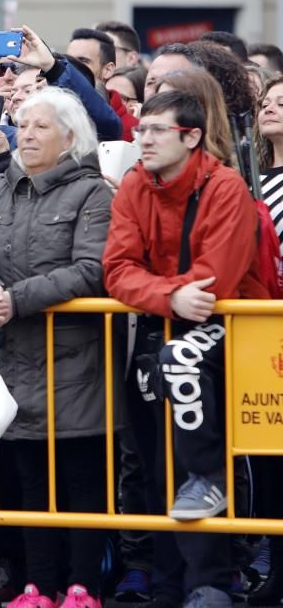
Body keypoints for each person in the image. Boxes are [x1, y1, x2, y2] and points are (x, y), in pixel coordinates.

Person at [103, 91, 268, 608]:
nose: (143, 139)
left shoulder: (226, 186)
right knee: (154, 466)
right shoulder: (134, 184)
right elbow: (116, 269)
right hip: (159, 323)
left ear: (191, 136)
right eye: (141, 130)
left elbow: (216, 280)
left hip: (230, 326)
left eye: (156, 131)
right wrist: (167, 294)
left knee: (182, 373)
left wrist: (165, 293)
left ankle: (212, 579)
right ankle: (169, 587)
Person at [0, 86, 114, 608]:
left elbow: (91, 270)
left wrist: (14, 299)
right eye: (22, 125)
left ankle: (82, 587)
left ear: (70, 137)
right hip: (14, 361)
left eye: (40, 126)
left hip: (75, 360)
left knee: (80, 481)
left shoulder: (93, 192)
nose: (26, 135)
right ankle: (36, 587)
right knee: (29, 481)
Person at [249, 76, 283, 605]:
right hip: (259, 332)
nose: (273, 108)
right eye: (267, 101)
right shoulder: (250, 176)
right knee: (269, 458)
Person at [154, 68, 238, 167]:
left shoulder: (226, 179)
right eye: (158, 101)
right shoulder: (143, 171)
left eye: (171, 103)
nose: (159, 109)